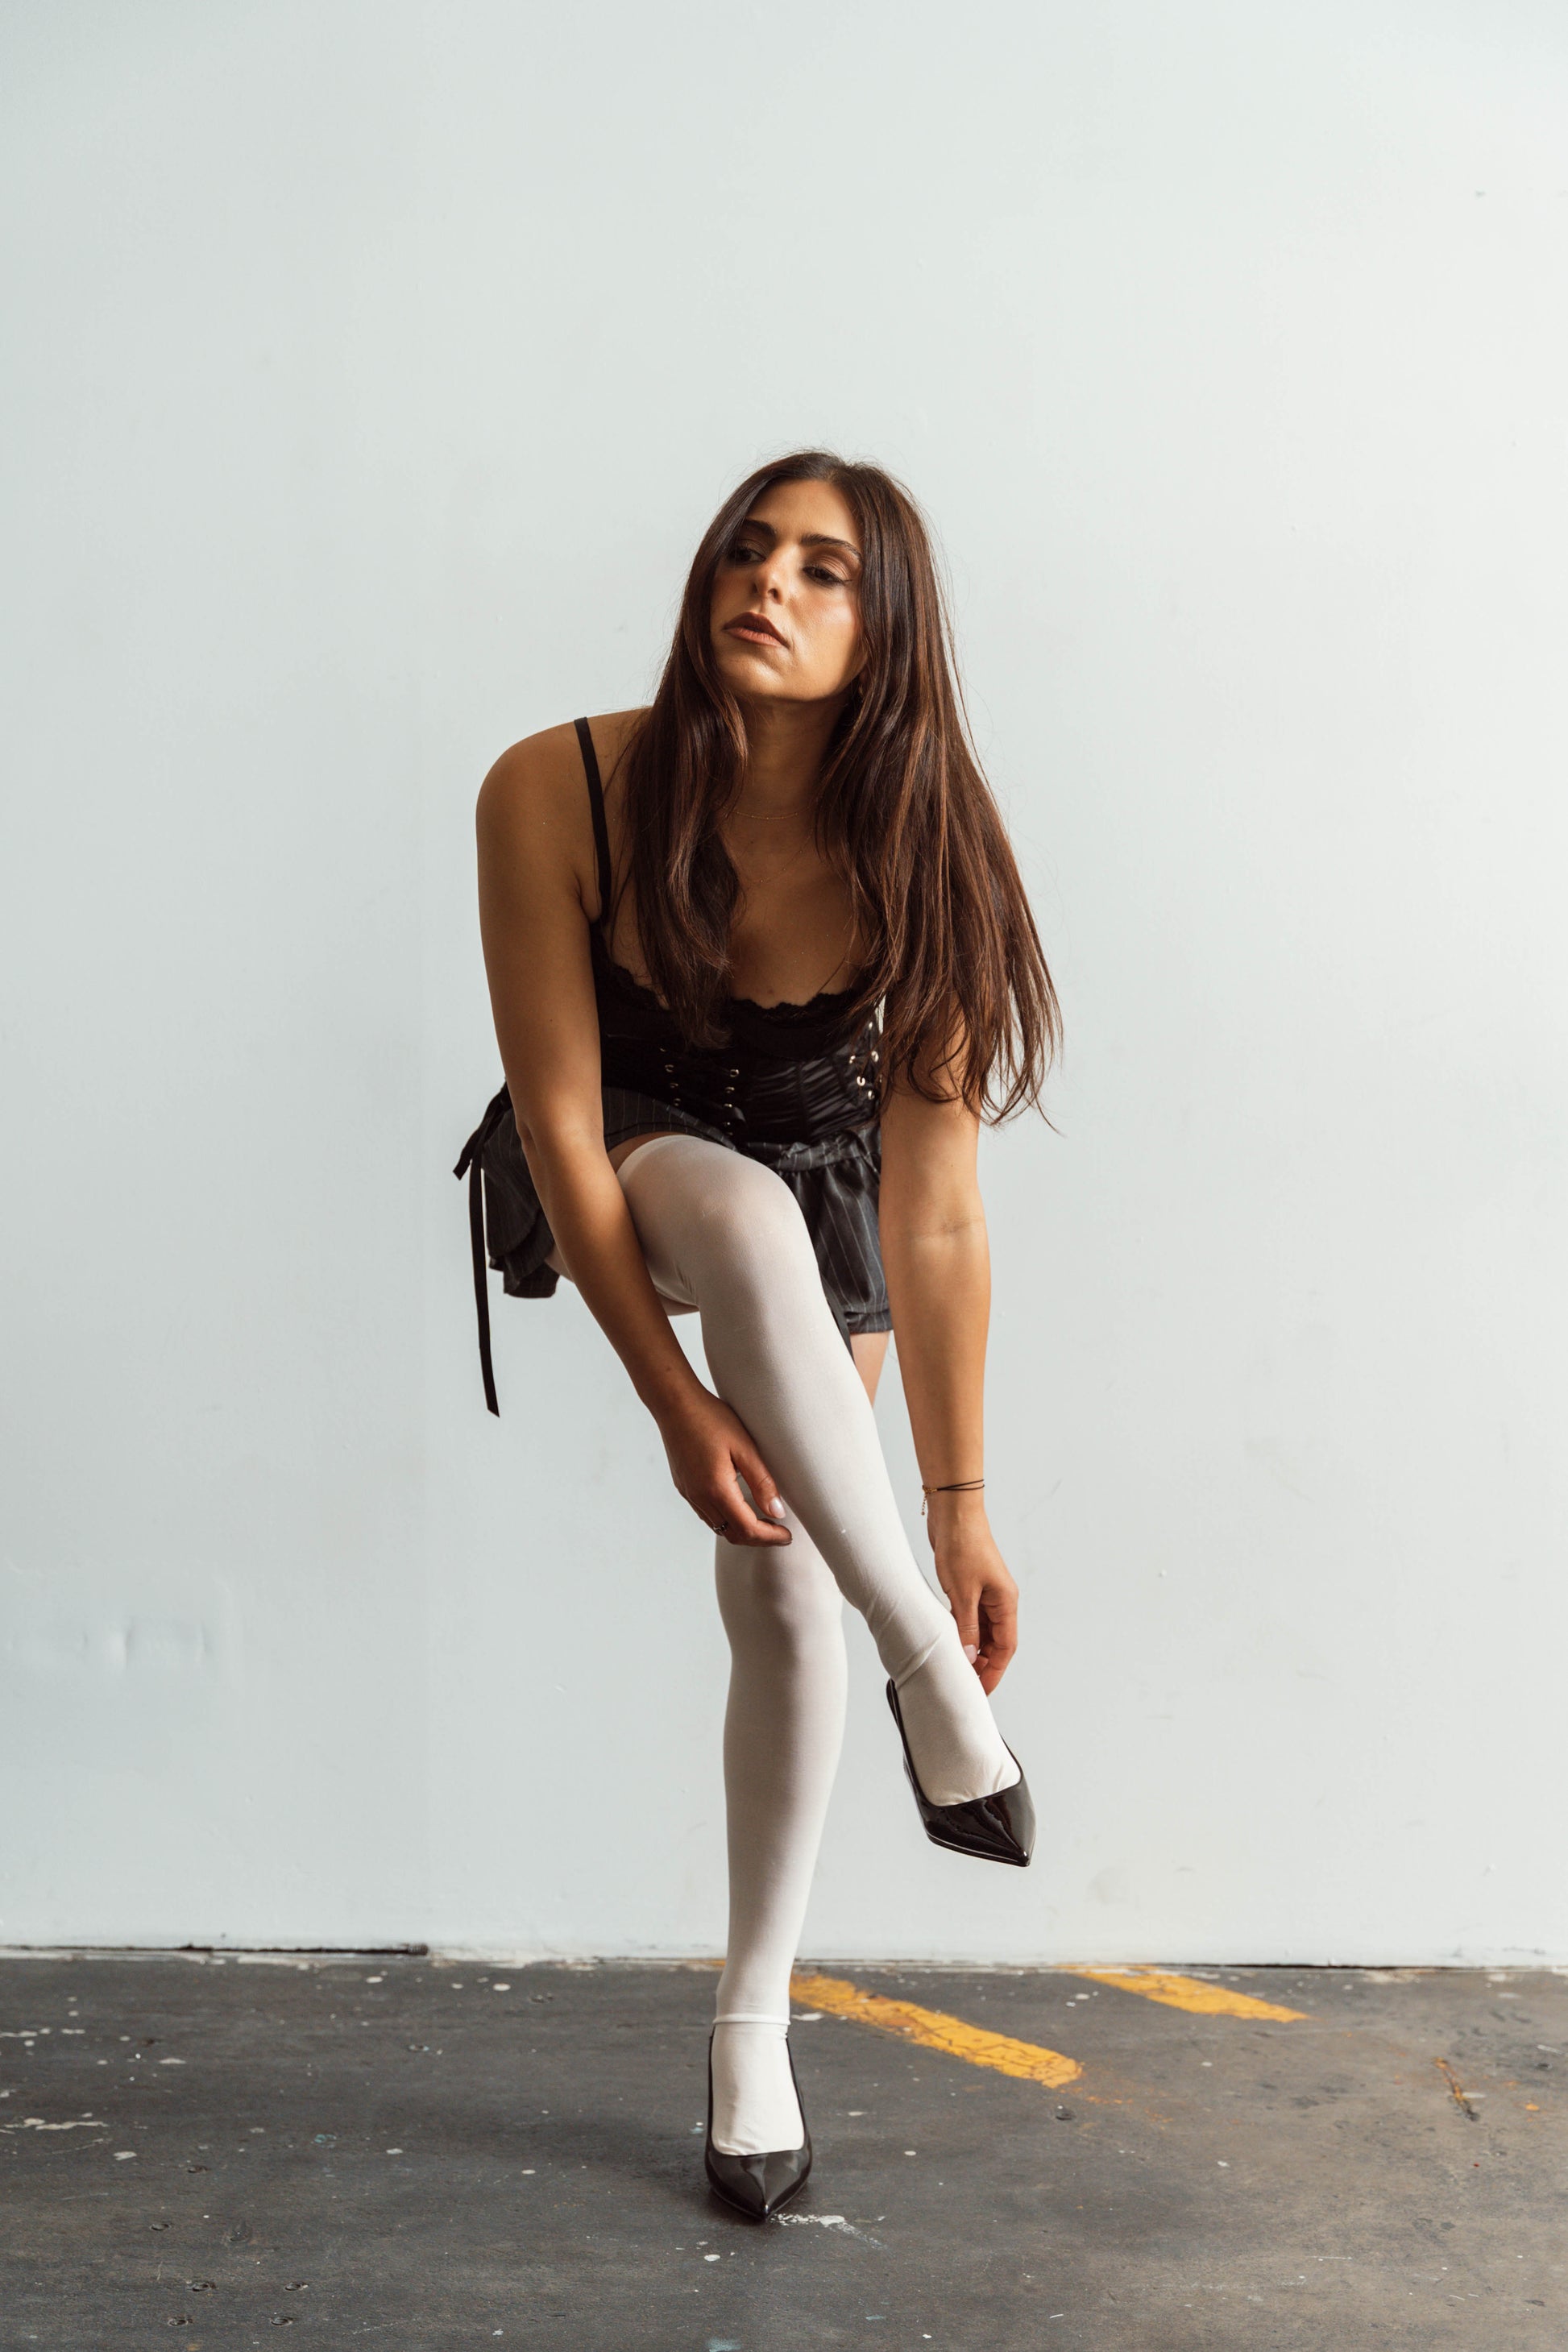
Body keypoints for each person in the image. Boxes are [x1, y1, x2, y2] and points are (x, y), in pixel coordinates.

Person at [455, 450, 1059, 2221]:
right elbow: (561, 1124)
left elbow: (933, 1211)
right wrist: (669, 1398)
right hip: (627, 1165)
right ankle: (926, 1671)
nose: (767, 584)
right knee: (730, 1209)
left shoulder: (929, 846)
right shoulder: (556, 786)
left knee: (785, 1582)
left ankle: (750, 2033)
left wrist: (957, 1503)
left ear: (887, 633)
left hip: (820, 1211)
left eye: (821, 570)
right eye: (746, 549)